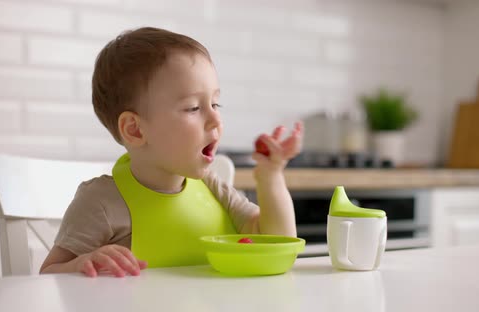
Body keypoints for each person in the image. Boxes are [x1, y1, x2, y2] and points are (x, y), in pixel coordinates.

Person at [39, 27, 303, 277]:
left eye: (214, 103)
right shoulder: (100, 202)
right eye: (192, 108)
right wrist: (81, 264)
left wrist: (270, 178)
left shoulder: (212, 187)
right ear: (135, 130)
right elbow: (48, 275)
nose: (216, 119)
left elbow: (277, 243)